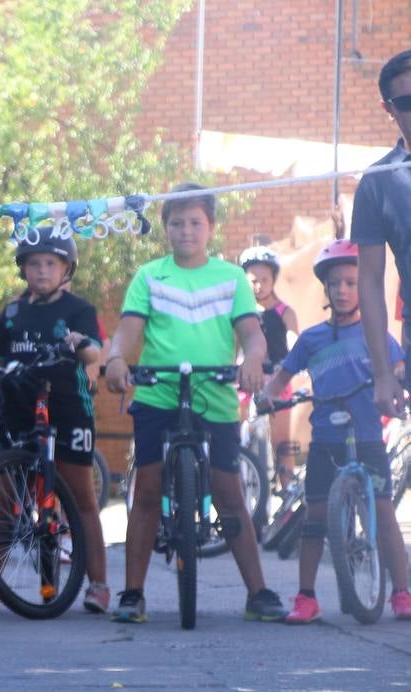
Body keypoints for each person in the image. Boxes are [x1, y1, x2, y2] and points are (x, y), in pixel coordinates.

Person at [103, 184, 284, 623]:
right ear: (165, 228)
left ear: (211, 227)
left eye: (196, 222)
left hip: (215, 393)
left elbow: (251, 334)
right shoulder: (149, 276)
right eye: (177, 222)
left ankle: (257, 593)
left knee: (229, 493)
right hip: (157, 391)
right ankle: (133, 594)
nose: (186, 231)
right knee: (146, 491)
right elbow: (129, 330)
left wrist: (254, 360)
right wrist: (114, 359)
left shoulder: (231, 278)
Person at [0, 228, 111, 614]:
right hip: (20, 405)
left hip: (67, 406)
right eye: (33, 263)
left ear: (66, 269)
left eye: (50, 263)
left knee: (81, 497)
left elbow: (95, 354)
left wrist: (82, 346)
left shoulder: (79, 309)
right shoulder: (12, 311)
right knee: (10, 495)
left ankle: (98, 584)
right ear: (23, 269)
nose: (41, 270)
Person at [261, 241, 411, 622]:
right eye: (335, 284)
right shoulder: (311, 339)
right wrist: (266, 397)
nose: (342, 290)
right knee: (314, 516)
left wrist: (397, 383)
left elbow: (396, 369)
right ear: (325, 289)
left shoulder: (377, 336)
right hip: (326, 439)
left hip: (367, 438)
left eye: (351, 282)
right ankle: (306, 598)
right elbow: (283, 375)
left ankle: (402, 592)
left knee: (384, 512)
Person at [355, 49, 411, 417]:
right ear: (388, 108)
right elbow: (370, 281)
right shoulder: (378, 182)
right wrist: (381, 374)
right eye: (407, 102)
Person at [239, 245, 299, 488]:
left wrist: (290, 365)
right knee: (237, 431)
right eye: (253, 280)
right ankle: (242, 484)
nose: (259, 285)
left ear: (274, 279)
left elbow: (294, 340)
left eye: (265, 279)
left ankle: (288, 489)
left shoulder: (285, 312)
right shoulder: (241, 313)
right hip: (247, 379)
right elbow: (233, 347)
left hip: (277, 379)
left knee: (282, 442)